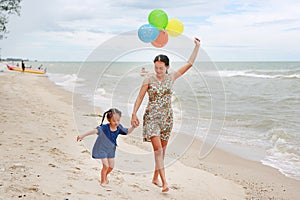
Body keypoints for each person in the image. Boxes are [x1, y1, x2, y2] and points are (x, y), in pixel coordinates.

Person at [131, 37, 201, 193]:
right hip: (151, 118)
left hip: (167, 119)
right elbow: (140, 97)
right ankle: (164, 182)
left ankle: (155, 177)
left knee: (163, 149)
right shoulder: (148, 80)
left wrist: (197, 47)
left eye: (161, 68)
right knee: (158, 150)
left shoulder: (171, 78)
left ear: (167, 67)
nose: (158, 71)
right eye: (156, 67)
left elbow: (189, 64)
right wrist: (134, 114)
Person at [77, 108, 135, 187]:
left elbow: (127, 132)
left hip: (111, 150)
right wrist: (83, 135)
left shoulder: (119, 127)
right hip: (102, 149)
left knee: (111, 167)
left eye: (118, 120)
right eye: (114, 120)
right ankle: (102, 181)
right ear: (109, 119)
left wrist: (133, 127)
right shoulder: (104, 128)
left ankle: (105, 176)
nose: (116, 122)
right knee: (106, 165)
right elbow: (94, 131)